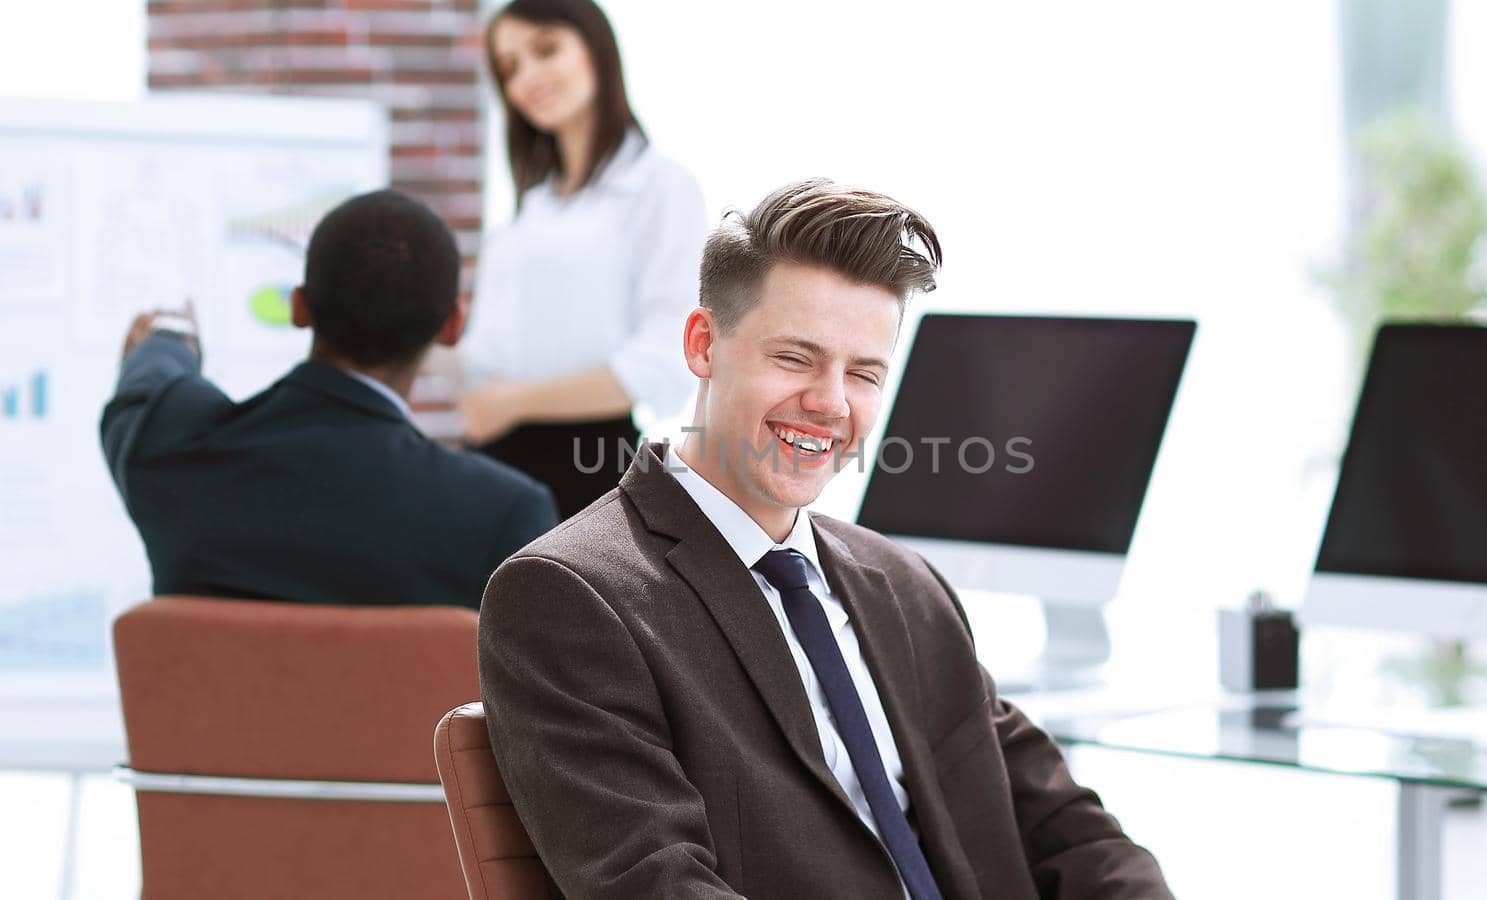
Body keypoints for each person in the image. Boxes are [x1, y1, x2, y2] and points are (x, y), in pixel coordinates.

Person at [479, 180, 1173, 898]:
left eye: (863, 373)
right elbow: (655, 885)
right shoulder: (571, 597)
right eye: (796, 358)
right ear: (702, 345)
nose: (831, 403)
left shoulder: (905, 587)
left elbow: (1069, 828)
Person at [102, 190, 557, 609]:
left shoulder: (173, 446)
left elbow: (143, 390)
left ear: (298, 307)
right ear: (452, 325)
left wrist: (169, 338)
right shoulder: (503, 515)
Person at [459, 0, 707, 516]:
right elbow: (488, 357)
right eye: (509, 68)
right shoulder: (532, 210)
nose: (527, 77)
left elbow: (666, 359)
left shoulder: (660, 187)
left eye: (546, 50)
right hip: (495, 462)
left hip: (590, 465)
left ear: (596, 48)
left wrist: (514, 401)